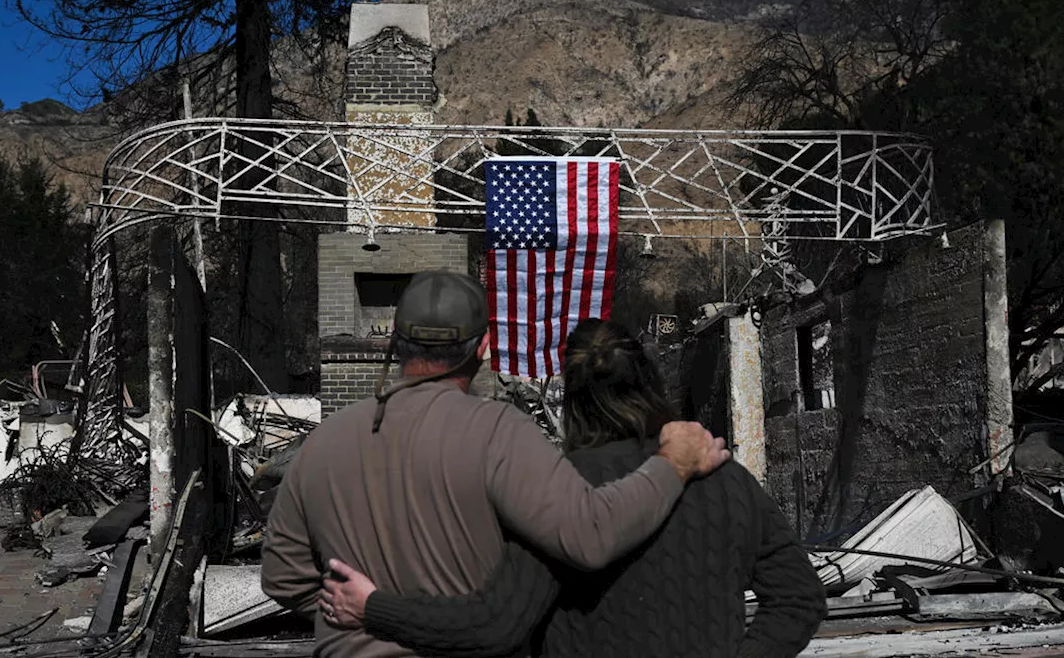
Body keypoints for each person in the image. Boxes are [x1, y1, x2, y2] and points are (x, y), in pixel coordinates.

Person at [261, 271, 730, 658]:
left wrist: (359, 614)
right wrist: (674, 462)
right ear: (482, 348)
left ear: (396, 345)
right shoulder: (498, 433)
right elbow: (591, 534)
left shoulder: (322, 444)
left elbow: (283, 578)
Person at [320, 318, 828, 658]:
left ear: (574, 398)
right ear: (649, 381)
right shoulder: (726, 479)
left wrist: (371, 606)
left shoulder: (560, 490)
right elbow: (800, 600)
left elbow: (495, 625)